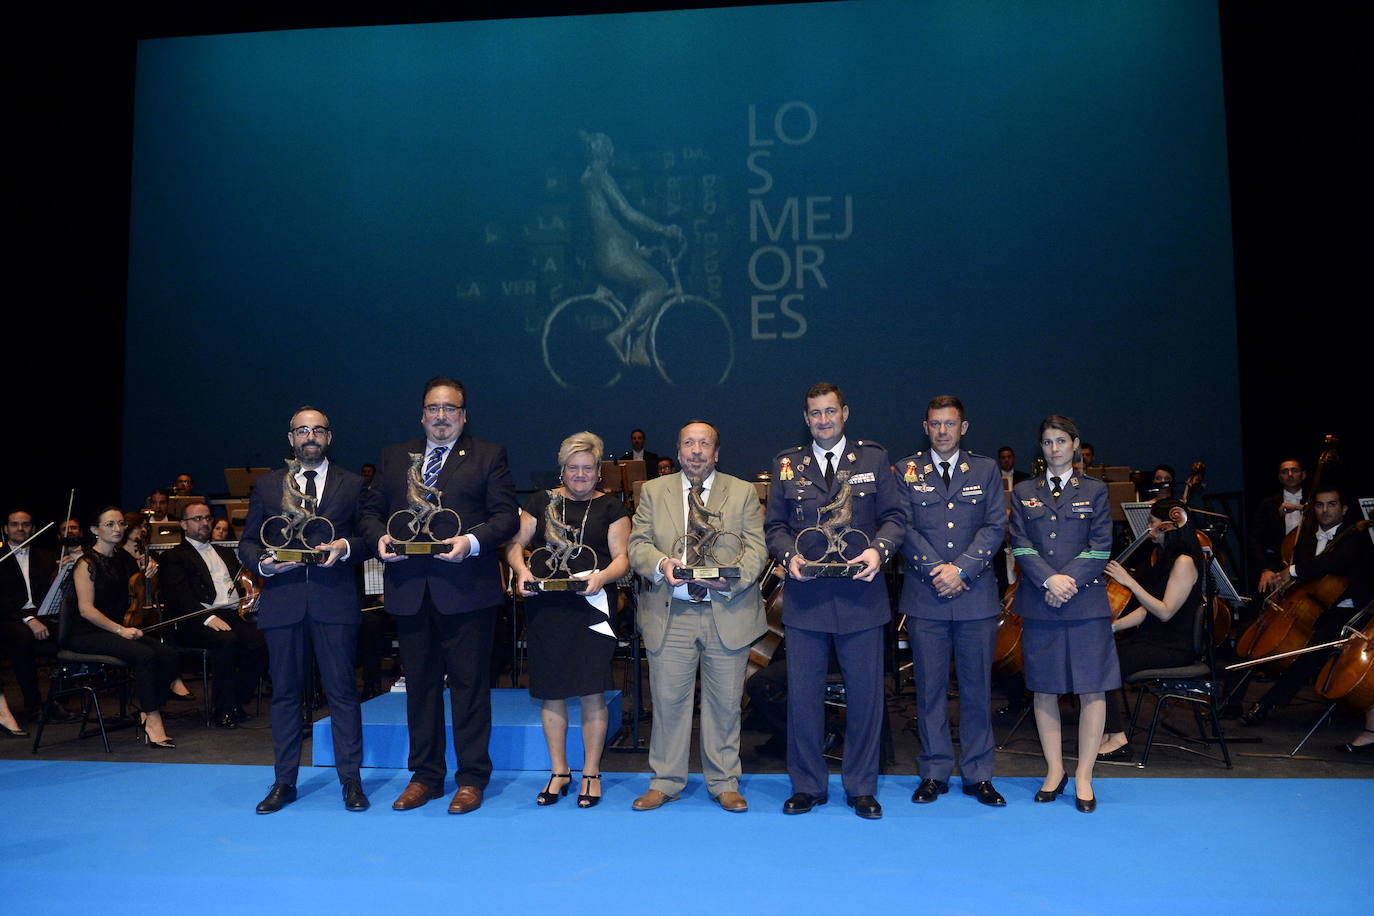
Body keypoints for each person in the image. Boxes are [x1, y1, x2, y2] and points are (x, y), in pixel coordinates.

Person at [359, 376, 519, 815]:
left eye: (451, 408)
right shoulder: (394, 458)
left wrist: (470, 542)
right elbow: (371, 512)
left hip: (467, 591)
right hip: (410, 592)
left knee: (469, 689)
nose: (442, 416)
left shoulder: (489, 455)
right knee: (420, 690)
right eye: (434, 408)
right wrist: (379, 541)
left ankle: (471, 778)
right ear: (422, 414)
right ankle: (425, 776)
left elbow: (505, 516)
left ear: (464, 416)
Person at [764, 383, 904, 819]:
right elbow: (775, 527)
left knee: (865, 698)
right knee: (803, 698)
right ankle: (807, 785)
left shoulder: (875, 459)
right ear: (806, 418)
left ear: (845, 413)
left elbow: (896, 518)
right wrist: (789, 556)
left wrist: (878, 551)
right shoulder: (787, 464)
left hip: (862, 597)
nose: (823, 420)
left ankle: (861, 786)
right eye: (815, 414)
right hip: (807, 600)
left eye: (830, 412)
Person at [627, 420, 767, 812]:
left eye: (704, 444)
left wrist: (733, 582)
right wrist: (661, 564)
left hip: (727, 610)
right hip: (671, 613)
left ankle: (724, 780)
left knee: (725, 704)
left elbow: (756, 549)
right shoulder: (653, 492)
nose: (696, 450)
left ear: (716, 452)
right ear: (678, 449)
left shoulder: (742, 492)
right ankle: (666, 780)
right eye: (689, 443)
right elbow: (637, 545)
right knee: (668, 701)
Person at [239, 407, 370, 813]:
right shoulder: (265, 486)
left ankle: (351, 781)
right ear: (290, 438)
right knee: (285, 696)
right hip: (283, 603)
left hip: (335, 602)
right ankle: (283, 782)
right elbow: (247, 543)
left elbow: (369, 537)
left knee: (343, 694)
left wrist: (344, 547)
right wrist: (264, 564)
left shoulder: (354, 484)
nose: (309, 436)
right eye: (302, 431)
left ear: (329, 437)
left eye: (317, 430)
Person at [506, 432, 630, 808]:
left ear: (598, 472)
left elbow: (622, 558)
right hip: (547, 610)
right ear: (562, 470)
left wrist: (602, 578)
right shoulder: (540, 501)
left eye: (587, 468)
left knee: (593, 692)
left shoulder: (612, 508)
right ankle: (559, 772)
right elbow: (515, 546)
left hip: (592, 610)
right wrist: (520, 572)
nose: (580, 475)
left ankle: (591, 773)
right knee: (551, 693)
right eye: (573, 468)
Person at [897, 396, 1008, 808]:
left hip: (975, 596)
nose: (942, 431)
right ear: (925, 427)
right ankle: (934, 771)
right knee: (929, 689)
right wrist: (935, 570)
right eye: (935, 424)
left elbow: (996, 526)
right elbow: (902, 526)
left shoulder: (985, 469)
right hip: (927, 596)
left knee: (978, 689)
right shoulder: (906, 470)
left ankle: (979, 774)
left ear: (964, 427)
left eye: (950, 424)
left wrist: (960, 570)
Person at [1010, 415, 1118, 813]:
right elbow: (1020, 545)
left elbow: (1101, 546)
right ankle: (1054, 770)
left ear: (1075, 444)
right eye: (1046, 442)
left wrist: (1065, 581)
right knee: (1045, 688)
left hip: (1085, 603)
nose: (1054, 448)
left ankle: (1085, 776)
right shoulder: (1024, 491)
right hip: (1041, 603)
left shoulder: (1096, 490)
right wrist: (1048, 581)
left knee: (1092, 688)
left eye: (1060, 441)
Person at [1241, 487, 1373, 725]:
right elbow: (1305, 572)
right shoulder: (1306, 538)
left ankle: (1270, 702)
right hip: (1309, 606)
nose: (1325, 510)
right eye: (1320, 505)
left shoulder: (1356, 536)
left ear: (1343, 509)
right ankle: (1230, 702)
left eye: (1331, 504)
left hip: (1345, 610)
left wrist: (1291, 571)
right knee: (1251, 634)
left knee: (1311, 651)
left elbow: (1332, 562)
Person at [1098, 498, 1205, 760]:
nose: (1149, 530)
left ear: (1170, 527)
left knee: (1103, 664)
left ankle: (1118, 738)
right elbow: (1148, 609)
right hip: (1153, 640)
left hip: (1173, 647)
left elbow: (1165, 611)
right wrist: (1113, 627)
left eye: (1154, 525)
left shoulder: (1184, 561)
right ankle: (1106, 731)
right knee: (1098, 655)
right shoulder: (1165, 558)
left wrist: (1130, 582)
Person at [67, 507, 181, 747]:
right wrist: (120, 630)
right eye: (109, 525)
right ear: (95, 530)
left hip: (118, 629)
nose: (117, 529)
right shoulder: (86, 564)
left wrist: (147, 576)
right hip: (87, 633)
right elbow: (86, 610)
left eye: (120, 524)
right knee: (145, 655)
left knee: (169, 654)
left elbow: (134, 590)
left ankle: (147, 707)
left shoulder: (123, 560)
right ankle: (152, 718)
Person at [579, 129, 683, 366]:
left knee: (649, 287)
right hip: (613, 254)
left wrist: (637, 249)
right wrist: (663, 229)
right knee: (658, 285)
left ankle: (639, 348)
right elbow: (627, 213)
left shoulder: (587, 178)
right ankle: (620, 334)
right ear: (607, 151)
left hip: (612, 251)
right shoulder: (600, 176)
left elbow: (606, 223)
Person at [159, 501, 267, 729]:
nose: (205, 523)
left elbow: (242, 584)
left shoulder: (225, 551)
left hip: (232, 614)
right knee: (225, 642)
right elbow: (180, 597)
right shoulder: (174, 556)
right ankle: (223, 709)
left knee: (262, 641)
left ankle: (237, 700)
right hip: (195, 620)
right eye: (197, 519)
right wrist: (207, 617)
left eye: (207, 518)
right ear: (183, 525)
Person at [0, 509, 74, 722]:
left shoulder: (49, 556)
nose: (20, 529)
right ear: (6, 529)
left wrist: (66, 570)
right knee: (21, 638)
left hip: (43, 615)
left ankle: (58, 699)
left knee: (73, 633)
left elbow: (59, 590)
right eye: (14, 524)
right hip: (10, 618)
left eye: (25, 525)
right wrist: (29, 619)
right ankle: (33, 704)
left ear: (33, 528)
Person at [1247, 459, 1305, 590]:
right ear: (1280, 477)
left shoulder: (1314, 502)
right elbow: (1255, 540)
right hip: (1277, 564)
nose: (1290, 474)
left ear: (1303, 474)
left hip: (1307, 562)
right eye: (1285, 471)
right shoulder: (1268, 504)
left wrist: (1302, 508)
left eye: (1294, 470)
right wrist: (1265, 569)